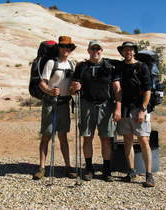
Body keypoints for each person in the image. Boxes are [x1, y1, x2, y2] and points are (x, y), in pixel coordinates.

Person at [70, 40, 121, 182]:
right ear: (88, 50)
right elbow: (72, 89)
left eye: (98, 49)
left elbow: (117, 88)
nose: (95, 52)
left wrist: (118, 107)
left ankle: (106, 170)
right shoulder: (82, 67)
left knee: (106, 139)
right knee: (87, 137)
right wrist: (75, 87)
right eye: (93, 49)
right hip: (87, 105)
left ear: (102, 50)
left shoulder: (110, 67)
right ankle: (89, 168)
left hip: (106, 106)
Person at [33, 36, 77, 180]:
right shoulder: (51, 63)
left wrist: (74, 89)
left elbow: (72, 86)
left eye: (68, 47)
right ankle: (41, 167)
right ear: (59, 48)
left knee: (63, 136)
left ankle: (68, 167)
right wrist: (50, 91)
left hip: (64, 103)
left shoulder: (72, 64)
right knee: (46, 135)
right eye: (63, 46)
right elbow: (42, 83)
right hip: (50, 103)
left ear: (70, 49)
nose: (66, 49)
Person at [116, 41, 155, 187]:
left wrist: (143, 109)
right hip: (125, 107)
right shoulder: (120, 66)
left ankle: (149, 175)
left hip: (139, 108)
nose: (128, 52)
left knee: (144, 140)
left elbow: (147, 89)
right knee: (127, 140)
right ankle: (131, 171)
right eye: (125, 50)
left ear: (134, 52)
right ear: (122, 52)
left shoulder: (141, 67)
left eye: (130, 50)